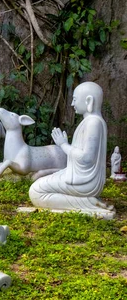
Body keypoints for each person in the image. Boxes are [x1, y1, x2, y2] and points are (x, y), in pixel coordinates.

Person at [29, 82, 114, 216]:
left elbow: (86, 158)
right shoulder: (92, 121)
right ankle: (88, 201)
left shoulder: (93, 122)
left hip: (85, 182)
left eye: (75, 99)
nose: (72, 104)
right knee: (39, 184)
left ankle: (90, 203)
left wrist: (63, 145)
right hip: (77, 176)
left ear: (89, 101)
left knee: (36, 192)